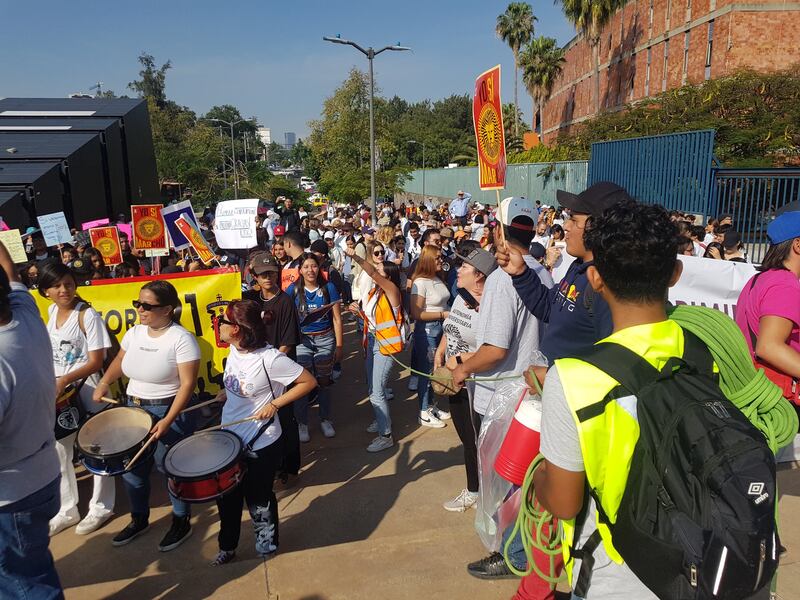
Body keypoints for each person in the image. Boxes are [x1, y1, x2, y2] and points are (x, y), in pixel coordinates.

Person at [532, 199, 687, 598]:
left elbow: (564, 504)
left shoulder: (572, 378)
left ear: (596, 280)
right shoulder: (706, 351)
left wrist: (537, 482)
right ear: (675, 273)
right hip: (695, 558)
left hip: (614, 572)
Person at [93, 280, 201, 551]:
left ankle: (181, 520)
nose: (140, 309)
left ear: (167, 309)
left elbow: (187, 385)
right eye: (137, 303)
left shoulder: (182, 339)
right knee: (132, 468)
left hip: (166, 409)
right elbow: (119, 361)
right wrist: (104, 382)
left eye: (147, 306)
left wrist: (168, 419)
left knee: (170, 468)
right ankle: (139, 518)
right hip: (133, 409)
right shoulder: (135, 333)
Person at [211, 300, 317, 565]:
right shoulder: (234, 351)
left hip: (262, 442)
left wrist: (275, 404)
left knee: (259, 498)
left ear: (236, 329)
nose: (218, 326)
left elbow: (308, 382)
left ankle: (266, 543)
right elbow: (243, 385)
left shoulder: (270, 358)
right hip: (230, 438)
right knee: (227, 499)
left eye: (222, 322)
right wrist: (229, 392)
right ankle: (227, 546)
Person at [0, 240, 64, 599]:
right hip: (40, 476)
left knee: (25, 587)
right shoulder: (24, 312)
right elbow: (9, 269)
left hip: (11, 499)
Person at [38, 262, 115, 537]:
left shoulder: (87, 315)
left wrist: (65, 379)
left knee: (97, 448)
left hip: (89, 391)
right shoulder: (50, 311)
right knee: (60, 449)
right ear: (45, 290)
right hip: (62, 394)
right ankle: (67, 508)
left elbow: (97, 360)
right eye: (56, 286)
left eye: (68, 284)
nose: (63, 290)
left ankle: (101, 506)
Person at [434, 247, 497, 512]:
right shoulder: (460, 295)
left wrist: (459, 361)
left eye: (465, 268)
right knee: (466, 438)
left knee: (478, 441)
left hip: (476, 384)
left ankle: (481, 493)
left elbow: (493, 347)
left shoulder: (492, 307)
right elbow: (451, 329)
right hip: (454, 379)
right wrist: (440, 350)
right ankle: (476, 488)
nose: (457, 270)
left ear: (480, 275)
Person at [243, 252, 303, 477]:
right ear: (254, 277)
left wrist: (269, 367)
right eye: (262, 274)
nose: (268, 277)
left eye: (272, 273)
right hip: (258, 371)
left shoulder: (285, 301)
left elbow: (287, 342)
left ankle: (290, 466)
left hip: (281, 369)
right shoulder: (250, 300)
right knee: (263, 418)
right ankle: (272, 463)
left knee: (286, 417)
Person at [735, 210, 800, 406]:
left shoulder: (760, 279)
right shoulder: (784, 284)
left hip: (759, 391)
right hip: (779, 398)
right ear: (798, 245)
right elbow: (769, 347)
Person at [344, 245, 404, 452]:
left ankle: (386, 435)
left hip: (386, 347)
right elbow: (370, 317)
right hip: (372, 341)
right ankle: (381, 421)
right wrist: (356, 310)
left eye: (381, 273)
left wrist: (357, 258)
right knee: (372, 387)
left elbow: (370, 271)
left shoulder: (392, 291)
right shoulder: (373, 292)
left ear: (388, 277)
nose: (376, 274)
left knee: (377, 391)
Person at [285, 253, 343, 442]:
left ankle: (325, 419)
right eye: (306, 267)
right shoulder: (293, 290)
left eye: (314, 266)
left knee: (324, 381)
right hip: (303, 343)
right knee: (303, 383)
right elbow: (286, 318)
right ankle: (302, 423)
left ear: (319, 268)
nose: (311, 270)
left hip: (325, 340)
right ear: (300, 270)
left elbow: (336, 318)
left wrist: (339, 345)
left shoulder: (329, 288)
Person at [410, 245, 452, 428]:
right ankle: (423, 411)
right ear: (427, 260)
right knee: (426, 372)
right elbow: (416, 313)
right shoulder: (420, 282)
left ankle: (430, 405)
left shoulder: (437, 277)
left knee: (435, 369)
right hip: (427, 331)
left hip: (441, 329)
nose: (440, 260)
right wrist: (443, 315)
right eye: (437, 258)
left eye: (441, 257)